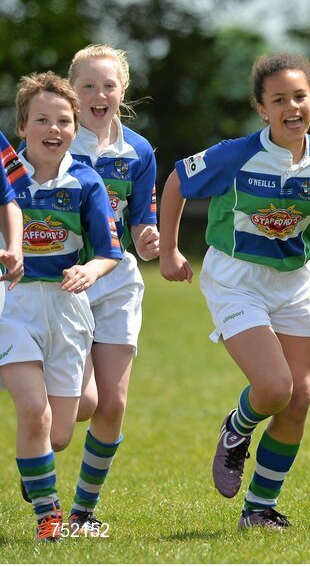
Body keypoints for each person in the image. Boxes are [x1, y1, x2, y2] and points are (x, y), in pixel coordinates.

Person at [159, 52, 310, 530]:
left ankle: (258, 510)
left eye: (300, 97)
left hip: (294, 284)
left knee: (299, 399)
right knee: (273, 388)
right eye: (279, 99)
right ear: (262, 109)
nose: (292, 106)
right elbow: (177, 183)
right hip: (235, 279)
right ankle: (237, 427)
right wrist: (168, 252)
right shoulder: (237, 154)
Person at [0, 72, 121, 541]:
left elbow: (111, 251)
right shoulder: (7, 179)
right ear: (22, 127)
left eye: (64, 121)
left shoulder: (87, 182)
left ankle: (33, 466)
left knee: (58, 435)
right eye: (42, 119)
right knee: (34, 412)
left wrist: (90, 270)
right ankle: (49, 522)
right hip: (15, 305)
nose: (54, 129)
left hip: (69, 312)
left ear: (75, 129)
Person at [64, 45, 160, 535]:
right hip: (67, 283)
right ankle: (36, 456)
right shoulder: (54, 142)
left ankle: (82, 513)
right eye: (88, 86)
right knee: (79, 405)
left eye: (108, 86)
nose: (99, 95)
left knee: (113, 404)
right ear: (72, 92)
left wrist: (148, 238)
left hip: (118, 281)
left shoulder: (139, 151)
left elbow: (144, 222)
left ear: (121, 93)